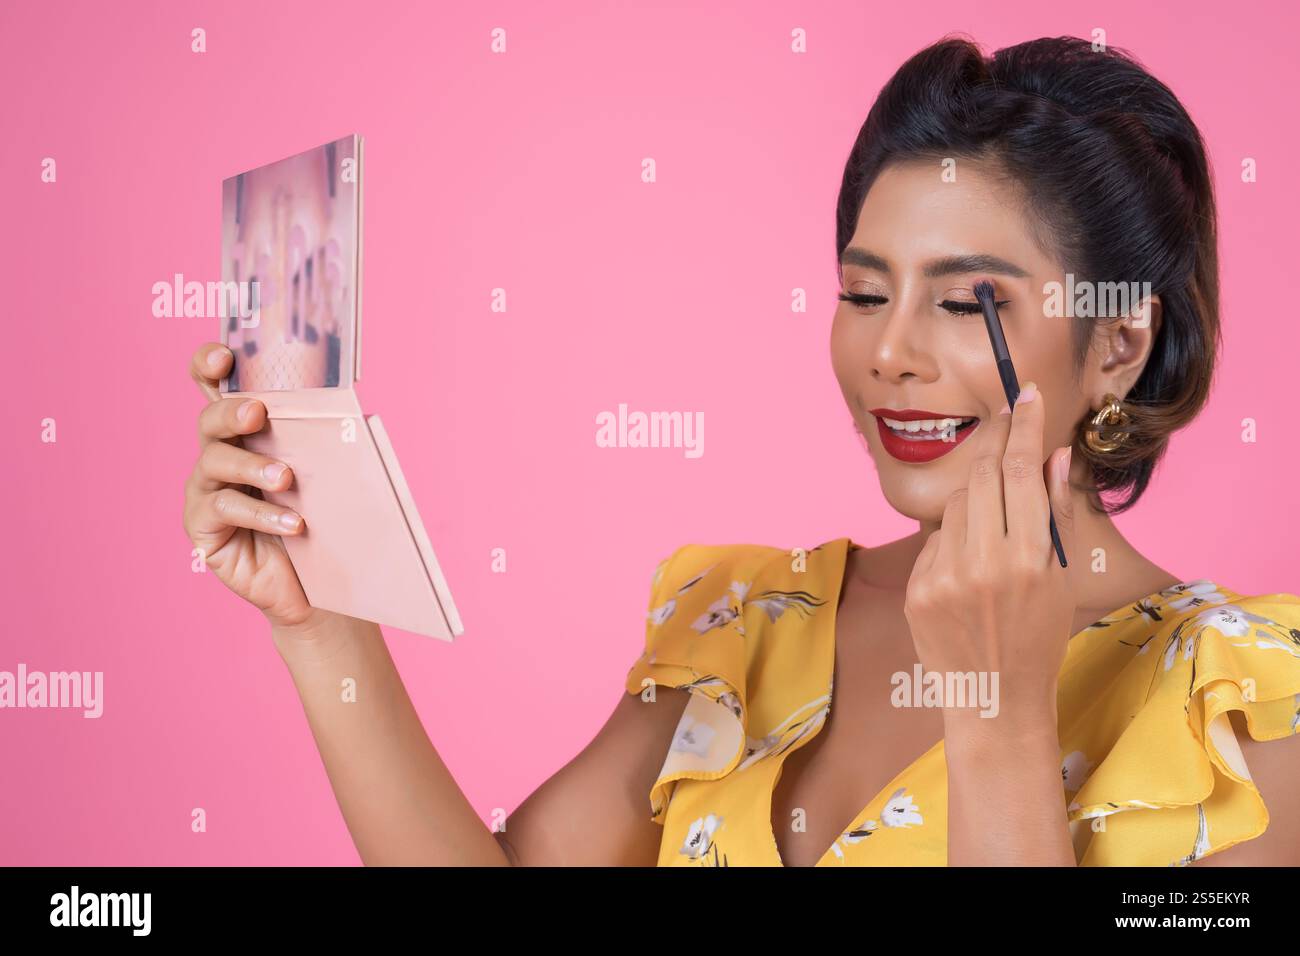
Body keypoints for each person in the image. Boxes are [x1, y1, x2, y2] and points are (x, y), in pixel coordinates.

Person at [182, 34, 1300, 866]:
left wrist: (997, 711)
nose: (890, 351)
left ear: (1114, 341)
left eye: (965, 302)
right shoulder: (747, 621)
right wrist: (318, 616)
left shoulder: (1245, 708)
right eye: (864, 292)